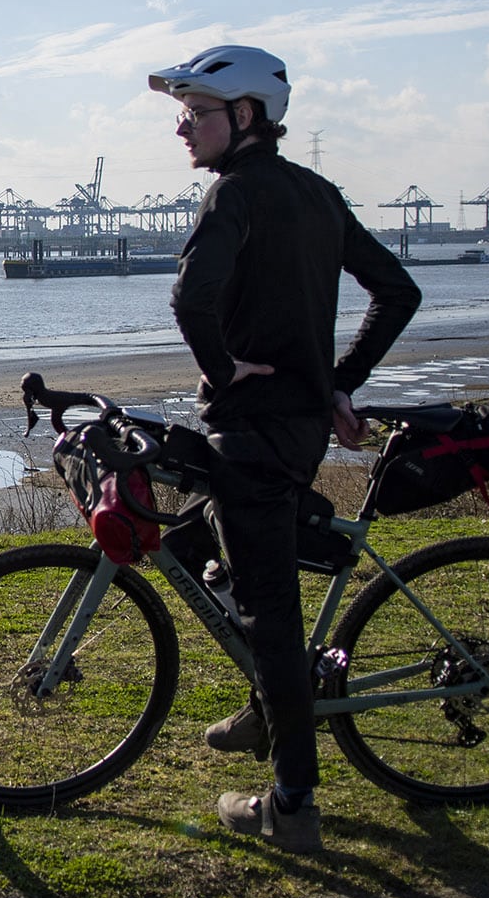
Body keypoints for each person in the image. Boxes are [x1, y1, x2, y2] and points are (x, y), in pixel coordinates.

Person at [150, 45, 421, 852]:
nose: (181, 128)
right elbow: (397, 290)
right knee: (196, 534)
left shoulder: (232, 194)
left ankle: (293, 805)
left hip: (255, 426)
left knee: (270, 613)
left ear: (245, 117)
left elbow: (189, 297)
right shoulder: (315, 192)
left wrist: (224, 365)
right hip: (294, 429)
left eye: (195, 113)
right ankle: (266, 708)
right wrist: (340, 381)